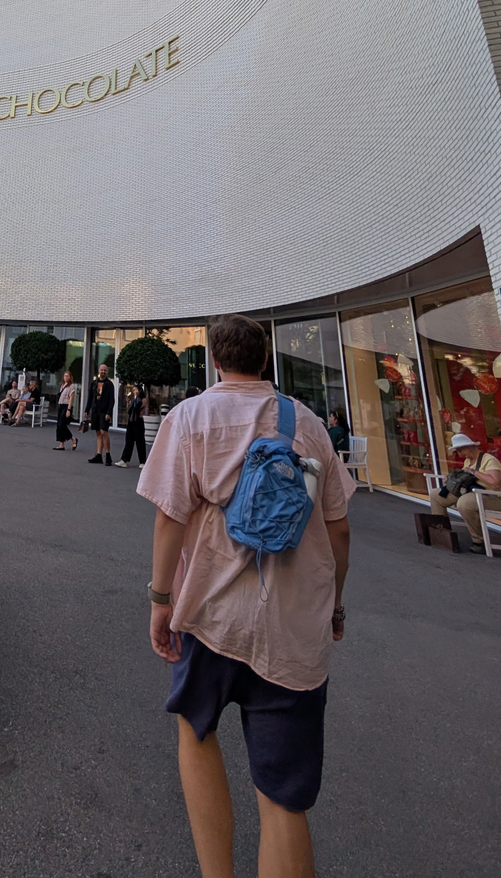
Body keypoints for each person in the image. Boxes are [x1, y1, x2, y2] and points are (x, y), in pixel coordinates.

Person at [138, 314, 353, 878]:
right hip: (294, 630)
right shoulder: (307, 425)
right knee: (283, 796)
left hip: (213, 615)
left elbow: (169, 521)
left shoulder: (190, 418)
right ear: (265, 361)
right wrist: (334, 605)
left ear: (213, 359)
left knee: (195, 726)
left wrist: (162, 600)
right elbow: (339, 530)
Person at [429, 431, 501, 553]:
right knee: (436, 495)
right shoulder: (468, 461)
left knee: (464, 503)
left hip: (495, 497)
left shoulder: (489, 460)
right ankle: (442, 533)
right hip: (471, 493)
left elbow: (497, 483)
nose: (460, 454)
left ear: (469, 447)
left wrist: (473, 472)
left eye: (461, 450)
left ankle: (479, 541)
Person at [84, 363, 115, 465]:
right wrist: (86, 410)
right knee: (98, 433)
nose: (103, 372)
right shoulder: (94, 383)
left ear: (107, 372)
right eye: (101, 370)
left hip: (104, 411)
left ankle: (108, 454)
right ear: (98, 371)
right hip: (95, 411)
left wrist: (109, 413)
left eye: (105, 370)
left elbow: (112, 400)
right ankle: (99, 455)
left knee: (103, 432)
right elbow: (90, 398)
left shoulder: (109, 385)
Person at [116, 383, 147, 468]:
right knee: (129, 440)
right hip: (131, 421)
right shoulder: (134, 399)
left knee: (140, 441)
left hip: (138, 421)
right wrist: (128, 402)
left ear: (140, 390)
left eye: (135, 390)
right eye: (133, 390)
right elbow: (129, 410)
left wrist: (135, 398)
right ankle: (124, 460)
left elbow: (138, 407)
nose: (134, 392)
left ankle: (143, 461)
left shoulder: (143, 399)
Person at [53, 370, 79, 451]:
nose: (66, 377)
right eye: (65, 376)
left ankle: (73, 439)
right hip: (60, 405)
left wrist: (68, 409)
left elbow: (71, 398)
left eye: (68, 376)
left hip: (66, 406)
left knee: (62, 424)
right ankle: (61, 444)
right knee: (59, 425)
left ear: (70, 377)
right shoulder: (62, 385)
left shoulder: (71, 386)